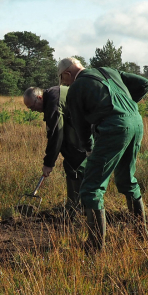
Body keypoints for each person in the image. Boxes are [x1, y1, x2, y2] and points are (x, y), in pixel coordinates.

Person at [57, 57, 148, 252]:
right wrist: (126, 106)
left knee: (91, 188)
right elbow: (145, 83)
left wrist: (88, 148)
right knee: (126, 179)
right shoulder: (110, 71)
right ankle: (142, 234)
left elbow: (80, 125)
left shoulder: (76, 88)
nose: (63, 84)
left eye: (62, 79)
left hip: (114, 130)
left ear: (67, 74)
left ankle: (95, 245)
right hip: (136, 123)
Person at [22, 85, 87, 218]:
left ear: (39, 97)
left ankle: (80, 208)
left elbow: (56, 134)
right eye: (29, 108)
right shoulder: (52, 94)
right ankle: (74, 205)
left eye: (32, 106)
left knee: (76, 166)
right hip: (79, 126)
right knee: (71, 163)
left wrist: (49, 163)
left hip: (86, 129)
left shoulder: (53, 102)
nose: (33, 110)